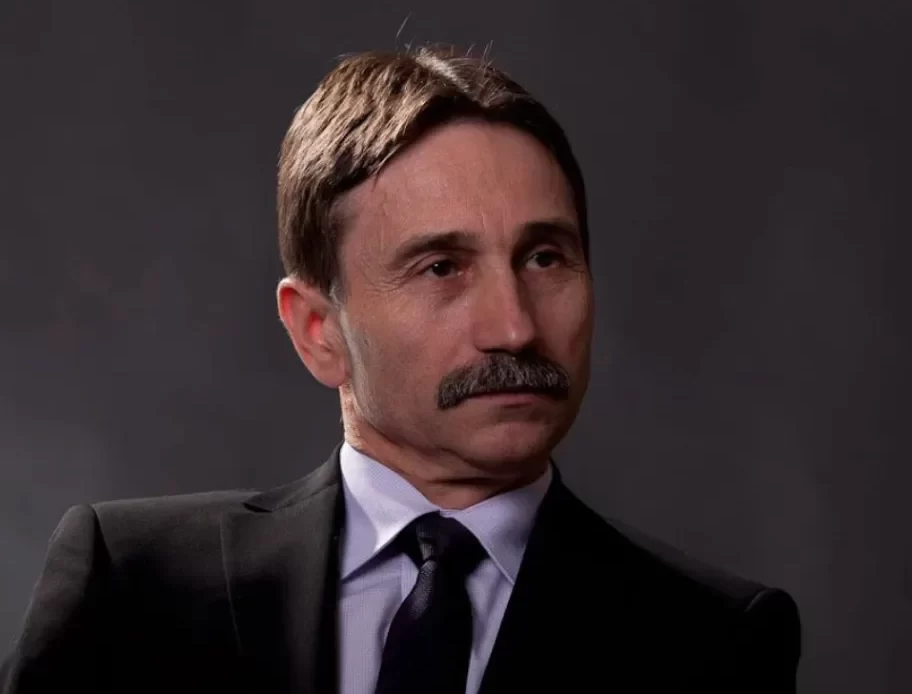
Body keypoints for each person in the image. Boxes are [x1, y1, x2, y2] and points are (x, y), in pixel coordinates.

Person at [1, 46, 801, 694]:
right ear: (318, 330)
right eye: (442, 268)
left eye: (545, 257)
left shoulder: (716, 643)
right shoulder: (133, 587)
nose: (516, 328)